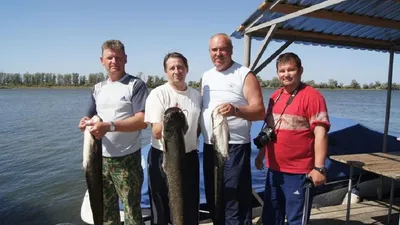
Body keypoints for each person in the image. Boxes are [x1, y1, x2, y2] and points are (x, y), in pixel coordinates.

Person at [255, 52, 331, 225]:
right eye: (282, 71)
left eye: (291, 70)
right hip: (274, 170)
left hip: (299, 173)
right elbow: (268, 129)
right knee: (271, 217)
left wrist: (319, 168)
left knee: (296, 219)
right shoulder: (275, 96)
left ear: (300, 71)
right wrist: (261, 154)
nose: (286, 74)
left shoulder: (313, 97)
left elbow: (321, 133)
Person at [78, 39, 148, 225]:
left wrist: (109, 126)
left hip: (127, 160)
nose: (114, 61)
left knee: (132, 210)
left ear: (125, 59)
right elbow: (90, 117)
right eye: (110, 57)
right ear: (102, 60)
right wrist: (85, 122)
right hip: (99, 160)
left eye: (118, 57)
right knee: (107, 213)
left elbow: (142, 121)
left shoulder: (136, 85)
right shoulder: (97, 88)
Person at [200, 33, 265, 225]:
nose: (218, 53)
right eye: (214, 49)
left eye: (222, 49)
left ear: (231, 51)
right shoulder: (206, 76)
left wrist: (236, 110)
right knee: (216, 199)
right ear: (209, 52)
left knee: (235, 200)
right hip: (210, 146)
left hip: (234, 148)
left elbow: (260, 111)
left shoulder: (244, 74)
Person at [144, 52, 202, 225]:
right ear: (166, 71)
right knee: (161, 206)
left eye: (180, 67)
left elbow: (197, 128)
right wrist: (171, 119)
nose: (177, 71)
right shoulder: (158, 94)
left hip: (189, 156)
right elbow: (156, 131)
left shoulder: (196, 96)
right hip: (164, 155)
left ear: (187, 69)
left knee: (190, 204)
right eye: (172, 68)